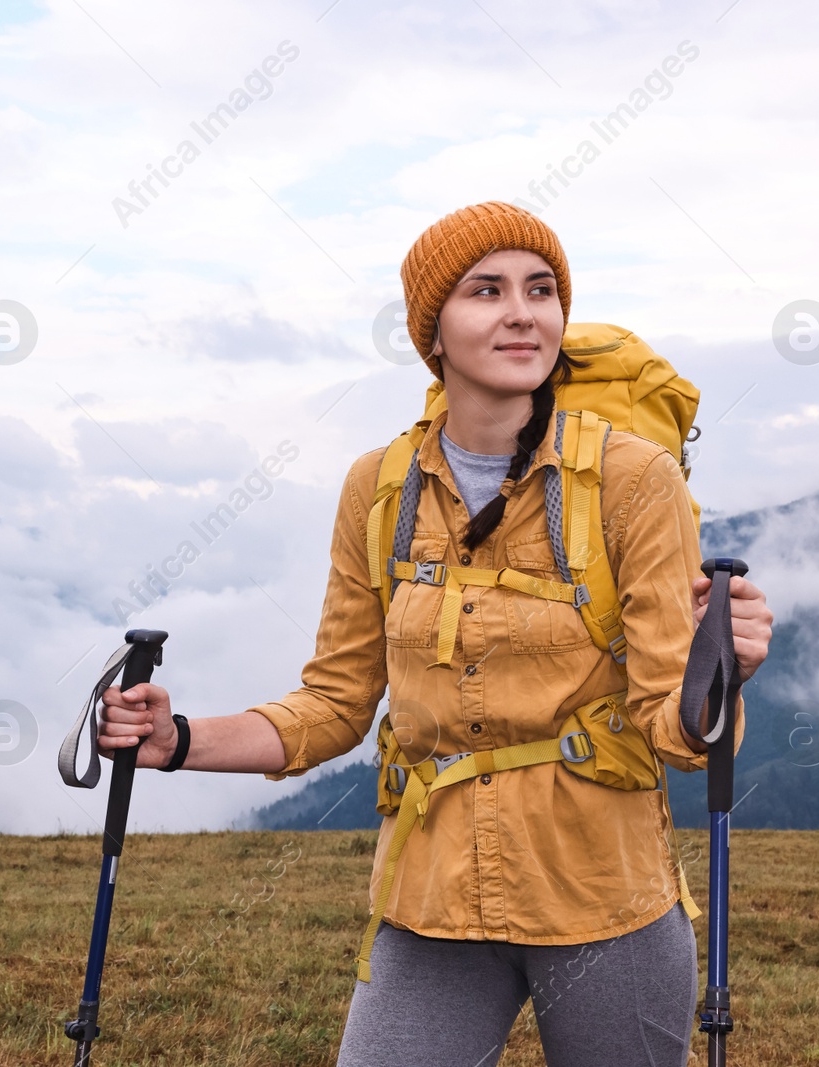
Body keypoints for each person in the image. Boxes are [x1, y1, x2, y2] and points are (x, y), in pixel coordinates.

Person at [96, 201, 774, 1066]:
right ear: (434, 331)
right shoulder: (378, 488)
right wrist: (176, 737)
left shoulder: (632, 479)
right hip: (433, 898)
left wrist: (719, 670)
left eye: (540, 290)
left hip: (605, 898)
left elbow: (676, 736)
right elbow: (336, 701)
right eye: (485, 290)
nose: (520, 312)